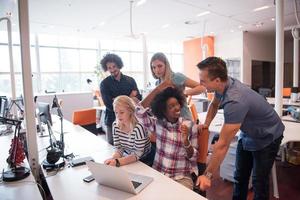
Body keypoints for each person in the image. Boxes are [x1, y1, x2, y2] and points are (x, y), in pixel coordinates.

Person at [195, 57, 284, 200]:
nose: (199, 83)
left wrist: (207, 175)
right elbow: (214, 104)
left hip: (268, 135)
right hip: (249, 132)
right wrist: (206, 124)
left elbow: (222, 145)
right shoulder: (223, 84)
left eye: (203, 80)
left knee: (258, 181)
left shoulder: (235, 100)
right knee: (240, 176)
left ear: (217, 80)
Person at [136, 87, 199, 190]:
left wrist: (186, 141)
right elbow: (138, 112)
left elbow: (193, 157)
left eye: (177, 104)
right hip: (158, 174)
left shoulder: (190, 125)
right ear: (163, 111)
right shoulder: (158, 123)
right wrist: (157, 91)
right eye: (171, 106)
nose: (177, 108)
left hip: (181, 177)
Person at [100, 53, 142, 145]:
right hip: (112, 121)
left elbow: (138, 99)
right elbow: (109, 105)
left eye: (114, 66)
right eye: (109, 68)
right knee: (112, 147)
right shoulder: (104, 84)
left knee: (132, 147)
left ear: (119, 65)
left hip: (131, 120)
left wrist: (116, 99)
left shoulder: (131, 80)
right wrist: (130, 97)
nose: (112, 70)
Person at [150, 52, 206, 120]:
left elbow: (202, 87)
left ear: (166, 65)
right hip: (168, 122)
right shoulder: (157, 83)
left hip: (183, 119)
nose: (157, 70)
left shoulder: (176, 77)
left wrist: (184, 93)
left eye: (160, 66)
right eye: (154, 67)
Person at [104, 95, 152, 167]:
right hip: (129, 156)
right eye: (116, 112)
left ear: (130, 111)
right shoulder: (115, 125)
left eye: (122, 112)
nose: (118, 116)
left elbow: (138, 154)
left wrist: (117, 162)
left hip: (144, 159)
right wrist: (113, 159)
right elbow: (118, 147)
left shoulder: (138, 127)